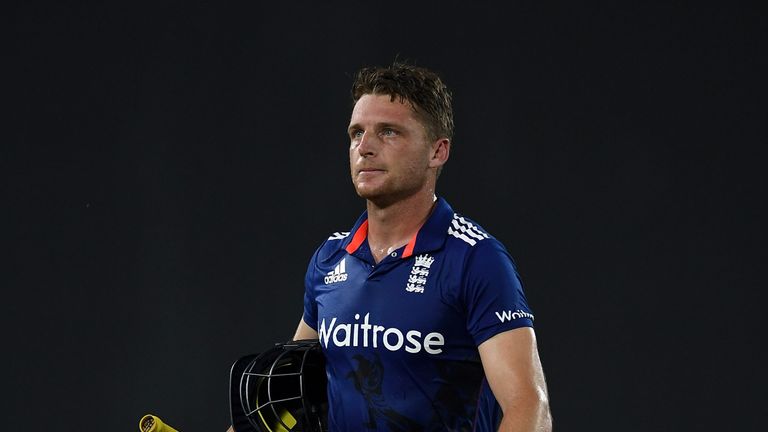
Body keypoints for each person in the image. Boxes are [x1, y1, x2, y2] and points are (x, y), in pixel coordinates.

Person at [291, 62, 551, 431]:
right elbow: (287, 388)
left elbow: (529, 407)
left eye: (389, 132)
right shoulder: (330, 258)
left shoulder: (476, 259)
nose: (364, 148)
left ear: (438, 151)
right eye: (356, 133)